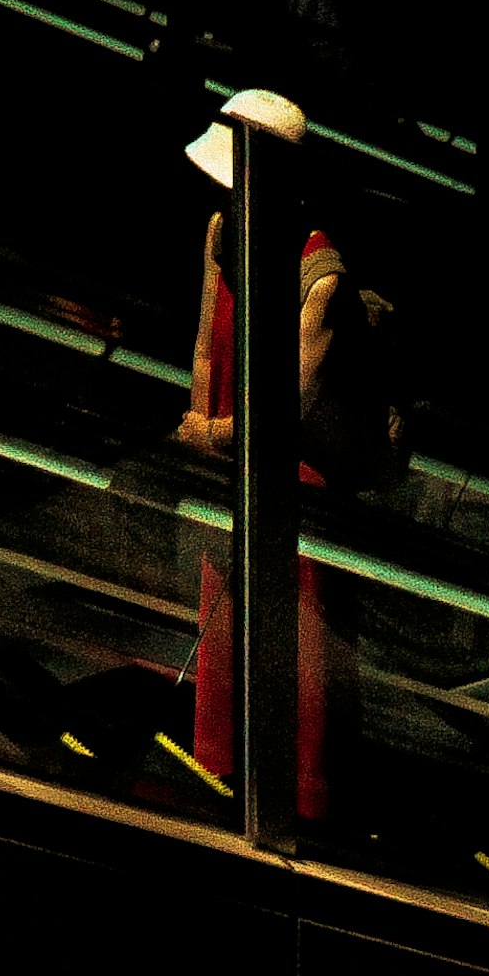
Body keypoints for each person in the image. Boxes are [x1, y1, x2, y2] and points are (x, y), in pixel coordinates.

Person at [177, 93, 371, 826]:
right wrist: (201, 432)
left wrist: (207, 435)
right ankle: (229, 779)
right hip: (228, 462)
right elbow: (204, 345)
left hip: (298, 493)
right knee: (228, 635)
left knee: (300, 650)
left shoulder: (320, 279)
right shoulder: (223, 230)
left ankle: (302, 805)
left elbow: (285, 415)